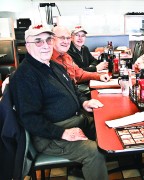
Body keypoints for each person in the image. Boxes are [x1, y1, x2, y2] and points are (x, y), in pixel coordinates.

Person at [9, 24, 108, 179]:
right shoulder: (25, 75)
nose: (46, 45)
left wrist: (84, 103)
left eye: (48, 40)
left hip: (75, 120)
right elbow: (29, 118)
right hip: (49, 135)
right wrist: (63, 133)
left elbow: (74, 88)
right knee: (93, 152)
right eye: (38, 41)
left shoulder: (53, 64)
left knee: (105, 127)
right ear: (28, 46)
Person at [51, 26, 109, 95]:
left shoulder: (67, 56)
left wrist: (99, 76)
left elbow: (80, 74)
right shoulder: (48, 59)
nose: (66, 41)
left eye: (67, 38)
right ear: (52, 39)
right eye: (62, 38)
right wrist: (95, 68)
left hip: (75, 92)